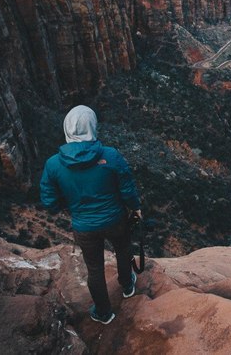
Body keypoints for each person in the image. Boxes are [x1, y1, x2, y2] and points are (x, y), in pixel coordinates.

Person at [40, 105, 141, 325]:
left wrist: (69, 206)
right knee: (123, 251)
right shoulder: (110, 156)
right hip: (115, 219)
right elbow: (127, 189)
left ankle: (104, 312)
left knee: (94, 268)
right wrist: (136, 207)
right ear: (92, 126)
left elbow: (49, 201)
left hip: (84, 226)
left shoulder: (53, 164)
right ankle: (127, 284)